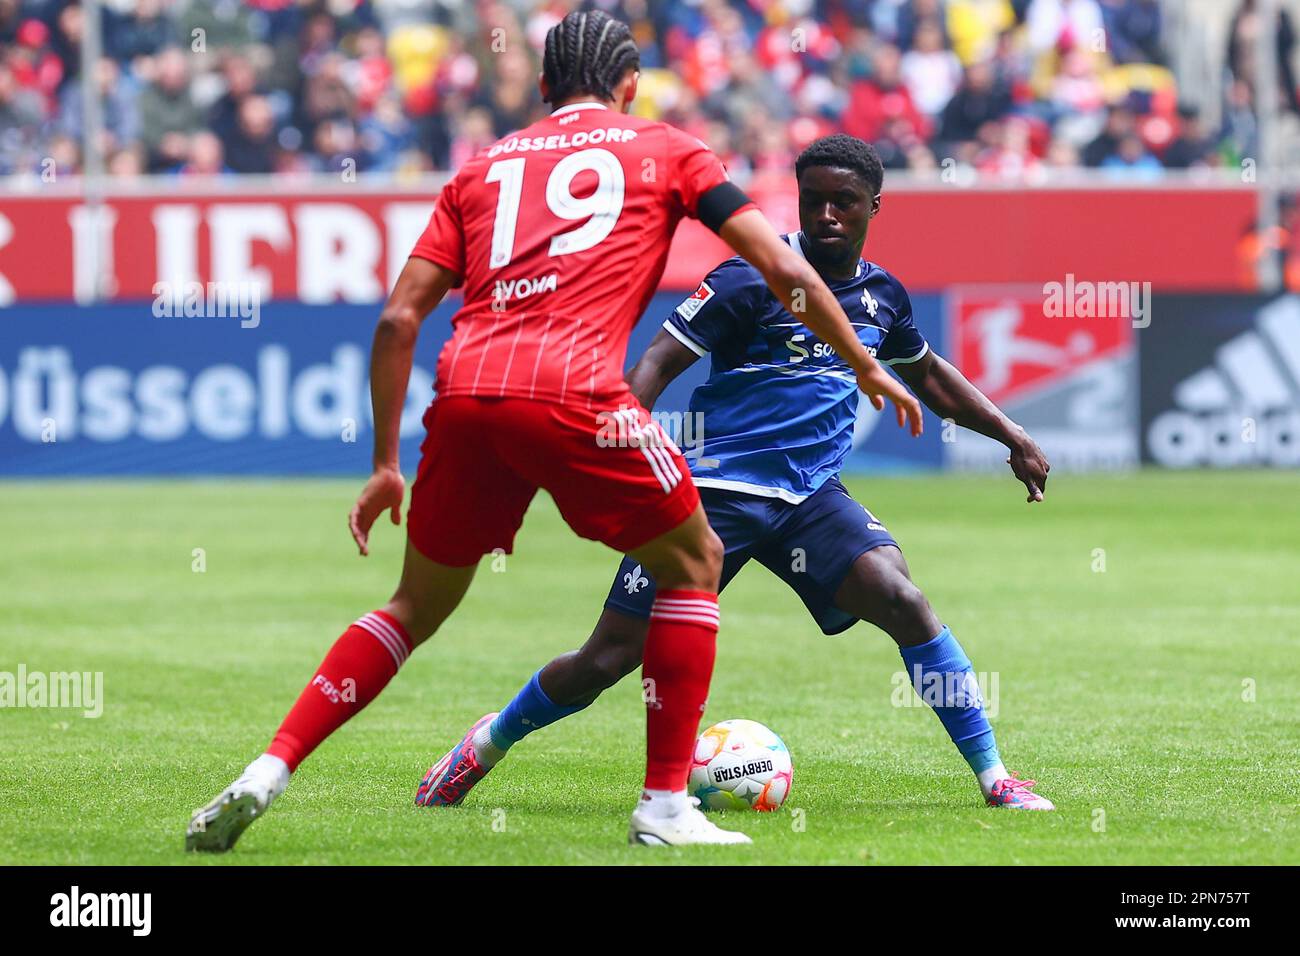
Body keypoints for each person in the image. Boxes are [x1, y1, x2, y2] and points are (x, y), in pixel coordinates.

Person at [186, 12, 921, 853]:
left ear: (540, 88)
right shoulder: (669, 148)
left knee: (410, 607)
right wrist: (862, 362)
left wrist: (387, 463)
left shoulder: (483, 166)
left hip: (465, 393)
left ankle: (266, 770)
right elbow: (785, 270)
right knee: (694, 561)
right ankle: (664, 805)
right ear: (632, 86)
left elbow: (397, 321)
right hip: (577, 394)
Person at [417, 135, 1056, 817]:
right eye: (814, 202)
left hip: (811, 499)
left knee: (904, 600)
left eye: (844, 202)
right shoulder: (749, 278)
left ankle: (996, 779)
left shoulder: (882, 296)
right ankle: (488, 742)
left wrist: (1010, 435)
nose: (827, 216)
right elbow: (655, 366)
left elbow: (926, 374)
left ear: (875, 204)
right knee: (607, 658)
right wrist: (623, 447)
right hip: (714, 498)